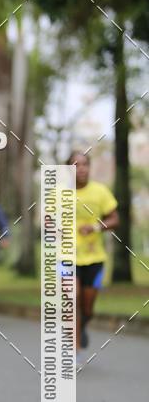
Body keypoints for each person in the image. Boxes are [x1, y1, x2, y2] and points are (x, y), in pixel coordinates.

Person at [68, 150, 119, 354]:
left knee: (87, 308)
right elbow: (47, 220)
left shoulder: (100, 192)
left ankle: (82, 326)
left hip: (94, 257)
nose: (81, 169)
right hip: (67, 257)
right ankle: (75, 349)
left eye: (84, 164)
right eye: (75, 165)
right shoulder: (59, 193)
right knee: (73, 298)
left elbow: (115, 219)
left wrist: (96, 227)